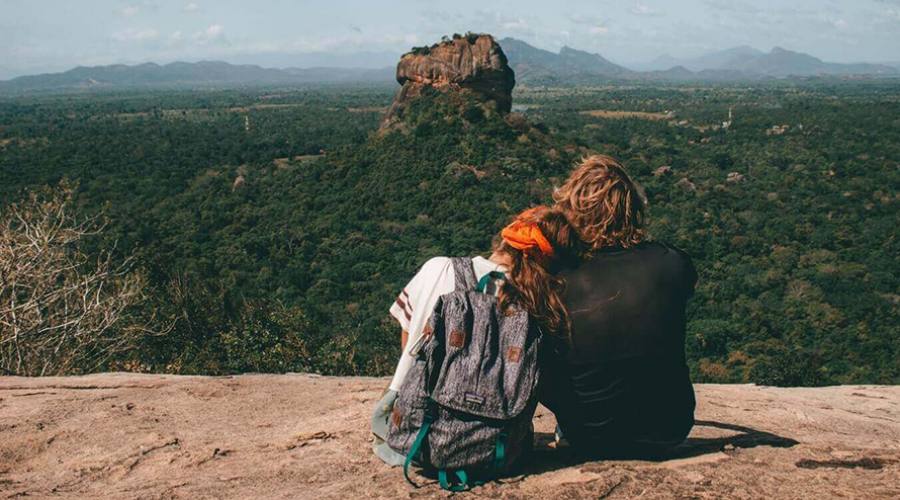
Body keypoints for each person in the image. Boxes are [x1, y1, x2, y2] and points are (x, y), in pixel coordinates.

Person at [371, 205, 578, 465]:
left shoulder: (440, 269)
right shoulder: (541, 305)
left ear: (506, 238)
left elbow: (408, 342)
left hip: (412, 435)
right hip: (496, 444)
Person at [541, 154, 697, 458]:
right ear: (633, 209)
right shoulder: (673, 263)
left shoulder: (558, 278)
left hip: (587, 432)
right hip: (669, 428)